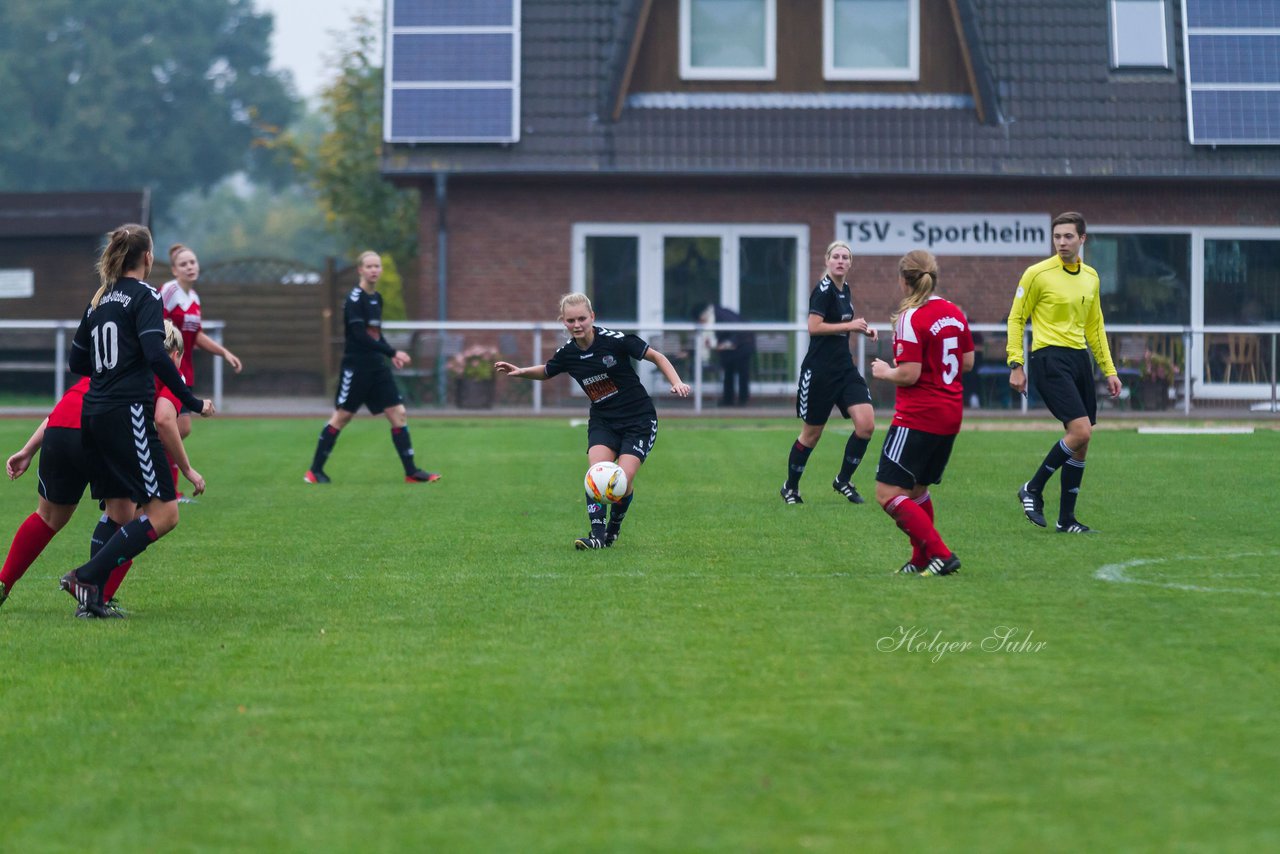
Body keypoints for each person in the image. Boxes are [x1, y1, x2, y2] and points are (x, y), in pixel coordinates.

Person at [60, 225, 214, 618]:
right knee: (165, 513)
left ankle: (90, 603)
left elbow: (77, 362)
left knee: (118, 512)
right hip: (127, 412)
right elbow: (155, 351)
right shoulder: (144, 295)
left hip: (94, 411)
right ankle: (87, 577)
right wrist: (190, 399)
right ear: (147, 257)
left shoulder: (98, 300)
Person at [1, 323, 204, 615]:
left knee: (47, 518)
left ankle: (3, 583)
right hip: (102, 431)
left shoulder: (113, 361)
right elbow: (165, 419)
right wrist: (187, 468)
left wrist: (28, 449)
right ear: (174, 354)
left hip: (59, 428)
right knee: (129, 519)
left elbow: (70, 404)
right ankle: (95, 598)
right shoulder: (164, 367)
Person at [494, 293, 691, 549]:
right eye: (570, 320)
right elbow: (547, 371)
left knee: (622, 480)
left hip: (638, 420)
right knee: (596, 475)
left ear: (592, 317)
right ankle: (597, 536)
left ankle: (614, 527)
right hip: (603, 420)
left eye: (582, 319)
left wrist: (676, 383)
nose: (577, 325)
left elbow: (658, 357)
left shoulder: (615, 341)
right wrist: (521, 372)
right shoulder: (567, 353)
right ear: (563, 322)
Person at [1007, 211, 1122, 533]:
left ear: (1082, 239)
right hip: (1048, 359)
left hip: (1079, 360)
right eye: (1057, 237)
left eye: (1068, 236)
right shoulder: (1036, 274)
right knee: (1080, 431)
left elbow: (1095, 327)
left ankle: (1066, 520)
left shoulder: (1091, 277)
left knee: (1083, 442)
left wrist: (1109, 370)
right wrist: (1016, 364)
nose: (1061, 242)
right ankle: (1033, 487)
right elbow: (1016, 319)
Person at [870, 250, 975, 577]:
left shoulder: (911, 316)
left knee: (887, 493)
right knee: (916, 491)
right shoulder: (954, 312)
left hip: (918, 416)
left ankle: (941, 554)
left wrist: (886, 371)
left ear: (904, 280)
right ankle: (920, 559)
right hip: (950, 414)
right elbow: (968, 362)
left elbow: (910, 373)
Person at [304, 251, 439, 484]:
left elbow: (376, 335)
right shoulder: (354, 300)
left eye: (377, 266)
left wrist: (390, 354)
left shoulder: (377, 298)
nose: (374, 270)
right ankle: (314, 471)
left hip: (378, 368)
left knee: (398, 414)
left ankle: (411, 472)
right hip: (356, 369)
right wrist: (393, 351)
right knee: (342, 417)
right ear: (360, 270)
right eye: (369, 266)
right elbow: (359, 336)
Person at [780, 240, 879, 505]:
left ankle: (843, 480)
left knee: (866, 424)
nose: (840, 261)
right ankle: (790, 487)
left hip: (844, 369)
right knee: (811, 434)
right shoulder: (823, 290)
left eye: (845, 257)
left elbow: (845, 325)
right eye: (835, 256)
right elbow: (814, 327)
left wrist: (864, 329)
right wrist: (849, 325)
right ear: (827, 260)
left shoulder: (845, 288)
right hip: (819, 372)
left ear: (850, 263)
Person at [160, 244, 241, 500]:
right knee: (177, 428)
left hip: (185, 371)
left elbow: (197, 336)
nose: (190, 267)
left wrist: (224, 352)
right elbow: (157, 327)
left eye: (193, 262)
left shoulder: (193, 298)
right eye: (183, 264)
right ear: (174, 269)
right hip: (168, 370)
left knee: (180, 429)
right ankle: (162, 485)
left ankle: (167, 488)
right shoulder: (169, 292)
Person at [698, 303, 757, 406]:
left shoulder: (720, 315)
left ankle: (743, 400)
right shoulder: (715, 315)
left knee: (743, 373)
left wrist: (728, 343)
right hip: (732, 349)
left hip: (743, 345)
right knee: (729, 373)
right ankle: (728, 400)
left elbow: (736, 329)